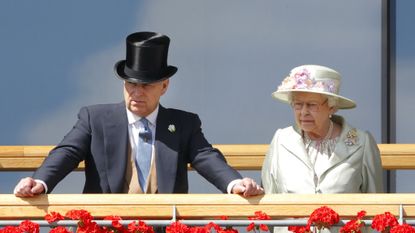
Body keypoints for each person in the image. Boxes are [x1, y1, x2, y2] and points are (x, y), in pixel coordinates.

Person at [14, 31, 263, 197]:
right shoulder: (95, 119)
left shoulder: (184, 124)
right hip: (105, 227)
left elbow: (206, 157)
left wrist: (235, 184)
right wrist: (40, 182)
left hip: (163, 226)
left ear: (164, 86)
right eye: (130, 84)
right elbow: (67, 152)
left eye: (146, 85)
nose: (136, 92)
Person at [261, 65, 383, 231]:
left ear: (332, 107)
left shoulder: (361, 142)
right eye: (298, 104)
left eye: (311, 105)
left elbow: (376, 209)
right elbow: (268, 205)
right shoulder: (281, 140)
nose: (303, 112)